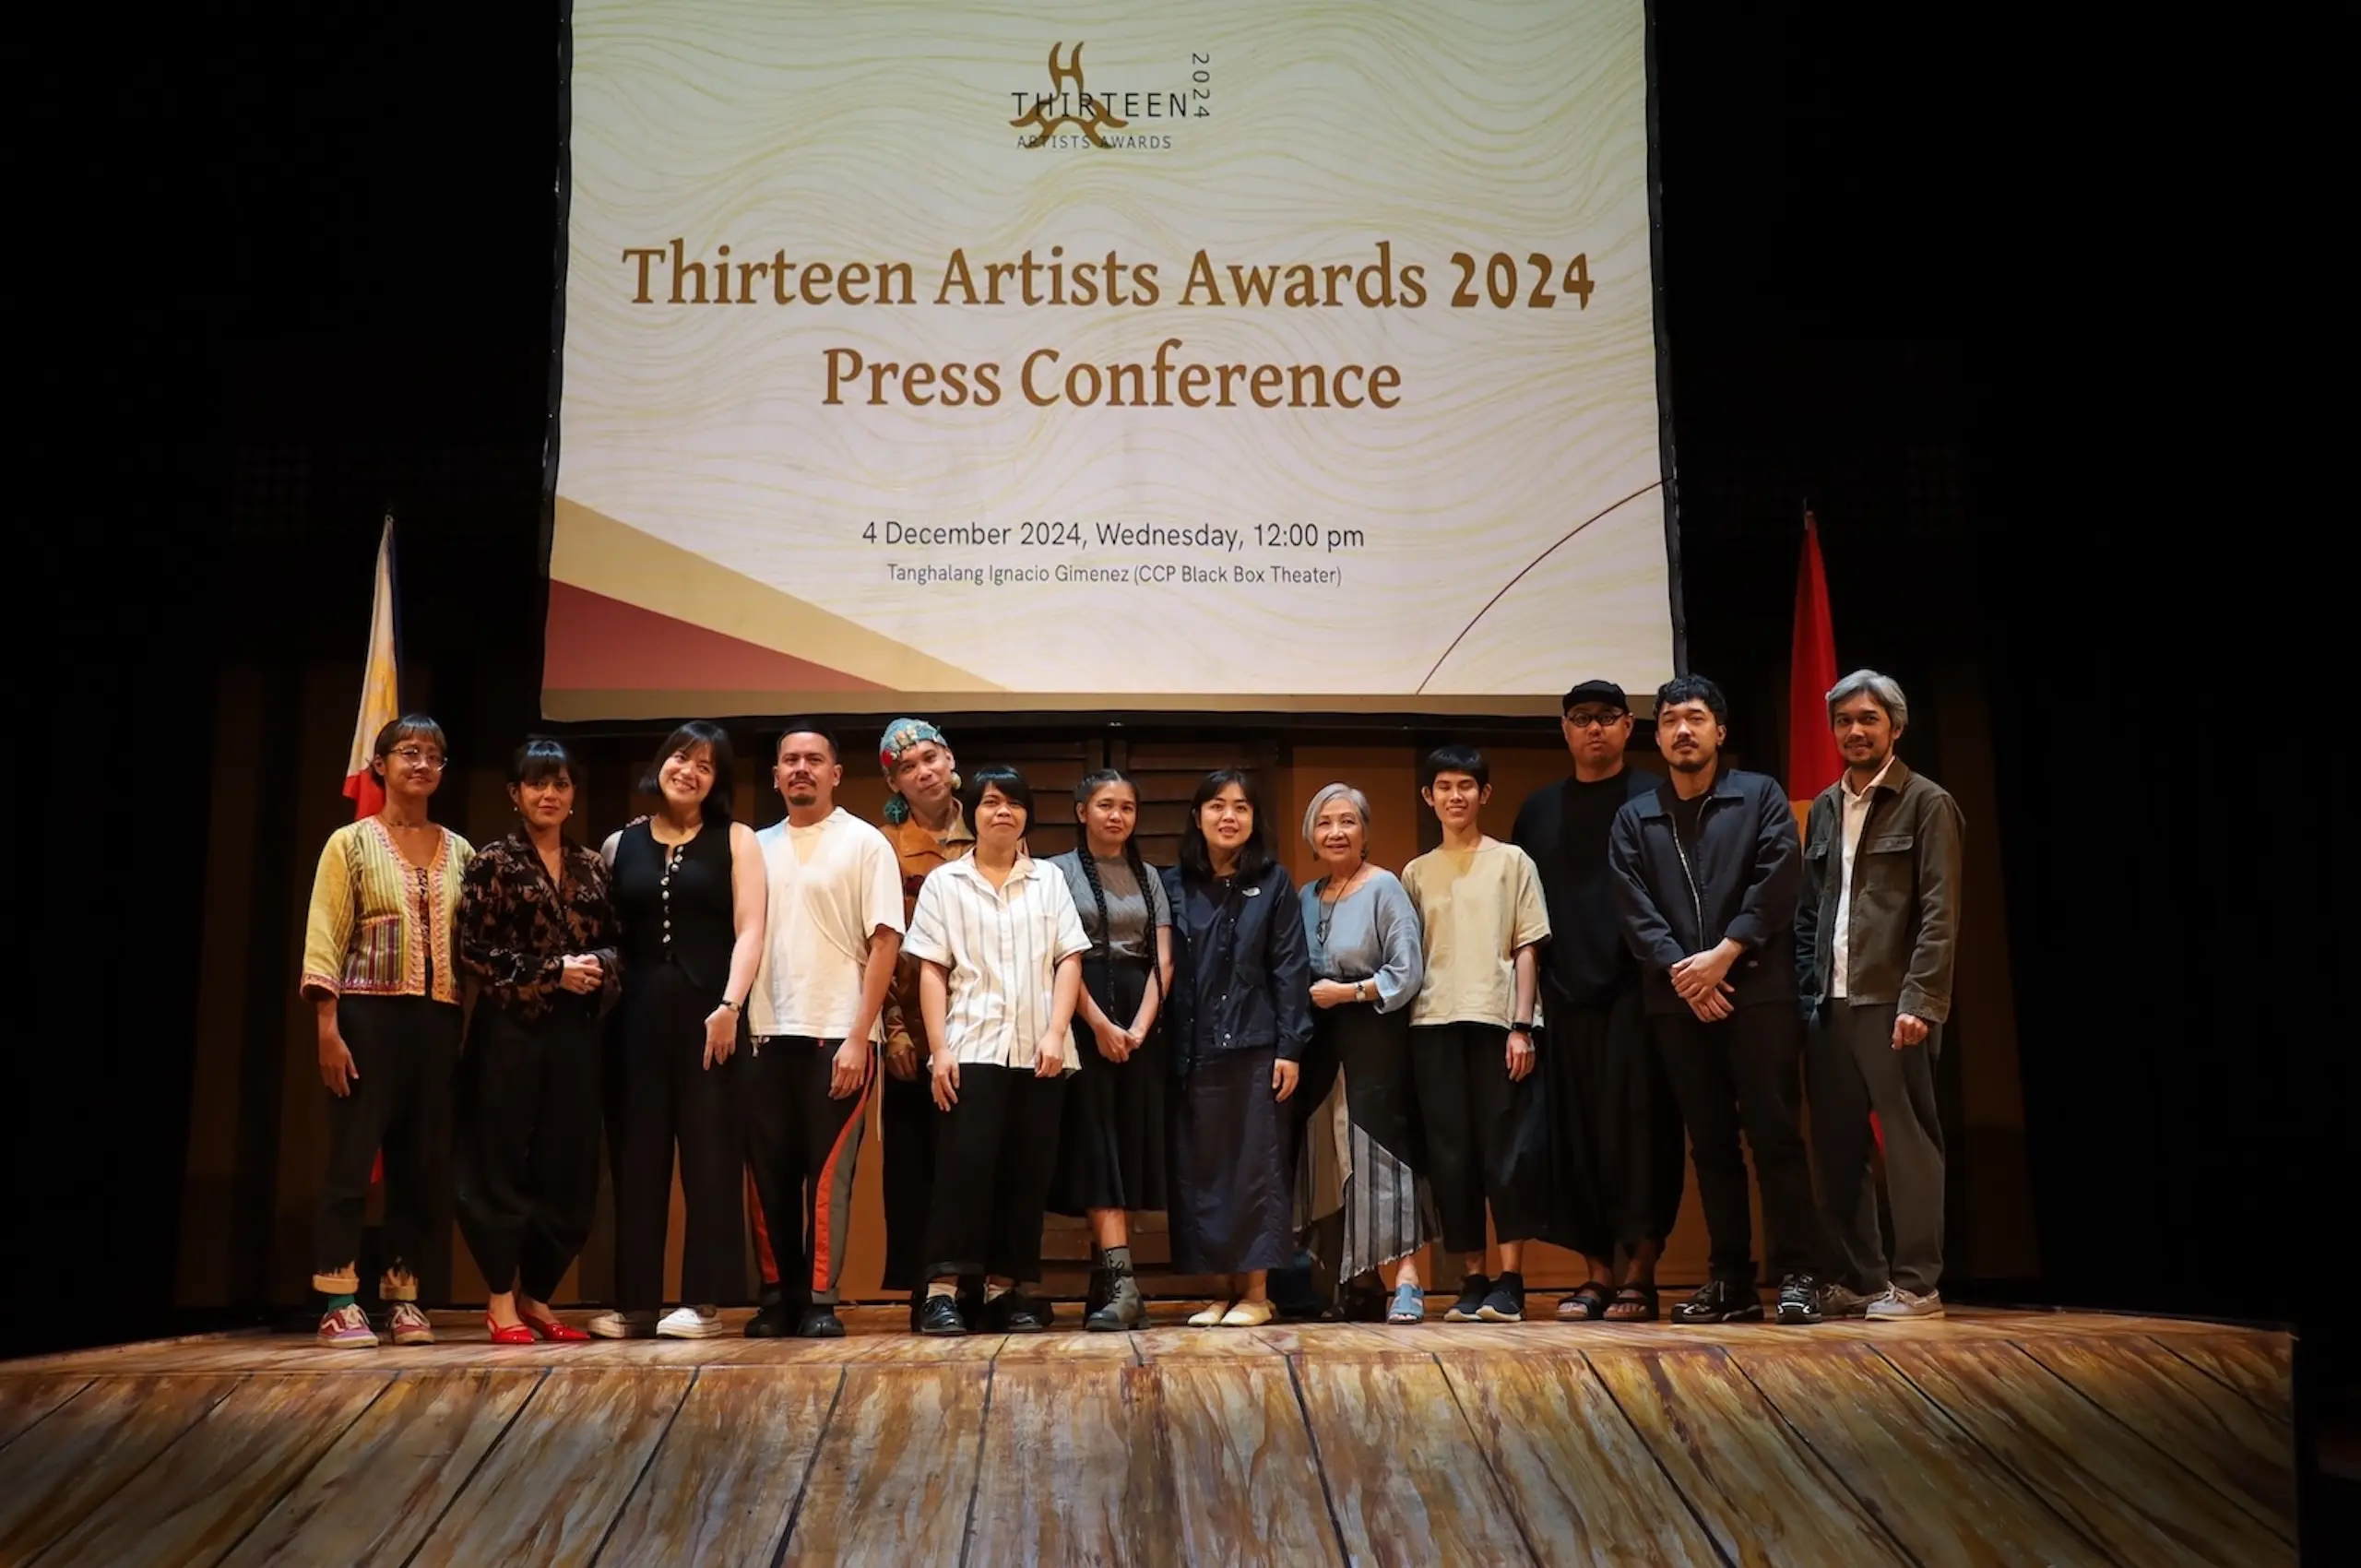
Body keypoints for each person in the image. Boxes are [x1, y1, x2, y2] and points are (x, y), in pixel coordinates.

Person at [1608, 674, 1832, 1326]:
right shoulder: (1635, 817)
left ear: (1719, 731)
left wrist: (1724, 956)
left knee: (1776, 1136)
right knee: (1709, 1145)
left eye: (1696, 718)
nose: (1683, 730)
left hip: (1757, 992)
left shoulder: (1758, 795)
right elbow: (1633, 906)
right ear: (1658, 738)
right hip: (1679, 1000)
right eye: (1670, 720)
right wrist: (1687, 973)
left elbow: (1779, 879)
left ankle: (1799, 1274)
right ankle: (1730, 1279)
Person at [1512, 679, 1683, 1324]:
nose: (1594, 729)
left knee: (1643, 1130)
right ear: (1564, 729)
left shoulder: (1656, 797)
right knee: (1576, 1136)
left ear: (1629, 726)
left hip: (1641, 991)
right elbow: (1523, 912)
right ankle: (1598, 1273)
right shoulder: (1537, 811)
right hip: (1564, 996)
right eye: (1581, 718)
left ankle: (1642, 1271)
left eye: (1607, 717)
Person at [301, 714, 473, 1348]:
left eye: (433, 755)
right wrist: (327, 1026)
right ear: (380, 765)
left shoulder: (462, 852)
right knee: (352, 1158)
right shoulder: (350, 844)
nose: (421, 764)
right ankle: (339, 1299)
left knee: (418, 1165)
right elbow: (326, 934)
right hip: (367, 1018)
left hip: (438, 1019)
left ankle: (403, 1296)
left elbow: (476, 941)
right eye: (409, 752)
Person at [1797, 671, 1964, 1321]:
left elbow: (1940, 915)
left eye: (1868, 719)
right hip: (1829, 1001)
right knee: (1839, 1148)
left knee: (1908, 1141)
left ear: (1896, 726)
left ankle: (1918, 1284)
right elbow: (1812, 910)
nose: (1855, 731)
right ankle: (1863, 1279)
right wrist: (1807, 990)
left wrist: (1921, 1000)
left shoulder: (1928, 803)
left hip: (1893, 1002)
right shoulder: (1826, 806)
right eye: (1843, 721)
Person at [590, 722, 766, 1338]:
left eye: (705, 765)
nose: (688, 771)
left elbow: (750, 929)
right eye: (680, 758)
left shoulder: (737, 839)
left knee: (710, 1160)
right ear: (661, 763)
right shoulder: (619, 844)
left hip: (711, 1020)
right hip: (633, 1022)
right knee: (636, 1161)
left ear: (718, 781)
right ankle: (636, 1304)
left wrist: (731, 1005)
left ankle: (702, 1302)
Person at [905, 766, 1089, 1336]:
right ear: (972, 812)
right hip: (971, 1046)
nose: (1002, 811)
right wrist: (939, 1049)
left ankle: (1003, 1291)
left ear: (1027, 815)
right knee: (961, 1174)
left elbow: (1068, 959)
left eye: (1014, 803)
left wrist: (1056, 1032)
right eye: (990, 802)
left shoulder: (1049, 880)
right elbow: (932, 970)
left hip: (1040, 1051)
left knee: (1025, 1175)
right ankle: (941, 1293)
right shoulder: (945, 882)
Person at [742, 726, 905, 1339]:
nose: (801, 768)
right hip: (763, 1032)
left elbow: (885, 941)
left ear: (836, 773)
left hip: (838, 1031)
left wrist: (859, 1036)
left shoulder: (865, 843)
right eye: (790, 760)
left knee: (827, 1178)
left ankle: (819, 1300)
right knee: (769, 1176)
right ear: (776, 776)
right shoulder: (754, 847)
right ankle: (777, 1297)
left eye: (814, 759)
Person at [454, 738, 615, 1345]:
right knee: (499, 1157)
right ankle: (500, 1297)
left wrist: (598, 965)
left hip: (576, 1034)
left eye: (561, 784)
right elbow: (474, 950)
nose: (550, 794)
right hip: (509, 1032)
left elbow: (618, 941)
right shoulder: (493, 862)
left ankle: (538, 1295)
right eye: (537, 783)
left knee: (569, 1162)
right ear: (515, 794)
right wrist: (552, 972)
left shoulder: (592, 865)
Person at [1401, 746, 1553, 1325]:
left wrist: (1522, 1026)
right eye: (1443, 786)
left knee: (1507, 1152)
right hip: (1432, 1024)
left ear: (1484, 794)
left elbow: (1527, 947)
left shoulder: (1513, 861)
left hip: (1498, 1023)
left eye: (1466, 785)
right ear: (1428, 797)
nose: (1455, 796)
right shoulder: (1416, 873)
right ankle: (1472, 1278)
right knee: (1451, 1157)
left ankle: (1510, 1281)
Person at [1163, 770, 1314, 1328]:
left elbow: (1291, 968)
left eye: (1241, 807)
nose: (1229, 816)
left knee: (1256, 1170)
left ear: (1254, 820)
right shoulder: (1173, 884)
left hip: (1257, 1047)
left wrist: (1291, 1046)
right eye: (1218, 806)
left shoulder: (1273, 882)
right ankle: (1219, 1291)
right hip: (1192, 1048)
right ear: (1198, 816)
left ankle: (1255, 1294)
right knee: (1202, 1171)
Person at [1299, 783, 1432, 1324]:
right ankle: (1358, 1282)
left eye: (1348, 821)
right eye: (1325, 822)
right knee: (1331, 1153)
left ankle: (1407, 1281)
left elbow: (1407, 971)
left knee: (1382, 1153)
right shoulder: (1306, 896)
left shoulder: (1385, 888)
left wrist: (1349, 992)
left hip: (1375, 1034)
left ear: (1364, 831)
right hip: (1321, 1043)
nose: (1336, 832)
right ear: (1312, 834)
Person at [1047, 769, 1174, 1332]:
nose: (1117, 815)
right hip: (1080, 1016)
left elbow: (1162, 959)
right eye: (1105, 805)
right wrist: (1098, 1024)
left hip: (1141, 1022)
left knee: (1126, 1149)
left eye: (1126, 806)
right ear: (1082, 812)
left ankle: (1106, 1282)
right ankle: (1124, 1285)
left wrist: (1140, 1027)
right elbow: (1058, 956)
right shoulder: (1056, 872)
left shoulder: (1150, 876)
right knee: (1094, 1147)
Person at [872, 718, 984, 1328]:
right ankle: (927, 1290)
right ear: (895, 782)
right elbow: (878, 942)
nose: (924, 772)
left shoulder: (990, 824)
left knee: (974, 1160)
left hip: (983, 1024)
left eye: (932, 758)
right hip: (914, 1027)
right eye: (908, 767)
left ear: (951, 760)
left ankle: (975, 1286)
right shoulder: (884, 845)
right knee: (917, 1164)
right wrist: (892, 1026)